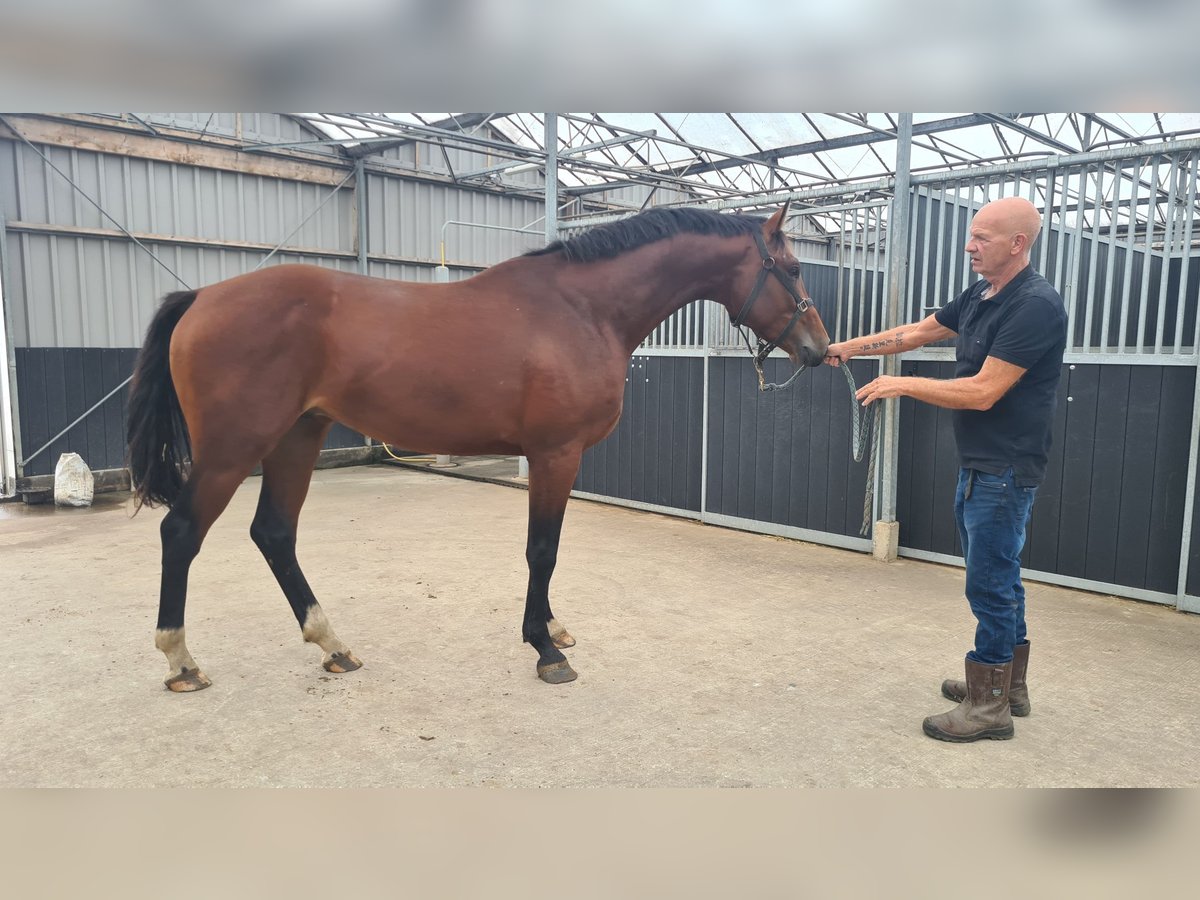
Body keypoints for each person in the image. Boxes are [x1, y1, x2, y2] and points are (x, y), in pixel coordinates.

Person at [824, 196, 1067, 743]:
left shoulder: (1035, 305)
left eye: (981, 237)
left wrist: (900, 384)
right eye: (971, 235)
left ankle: (989, 709)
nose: (969, 246)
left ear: (1017, 244)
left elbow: (983, 392)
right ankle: (1007, 687)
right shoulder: (981, 293)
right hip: (982, 464)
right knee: (998, 576)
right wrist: (843, 348)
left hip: (1005, 468)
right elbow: (916, 333)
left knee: (990, 582)